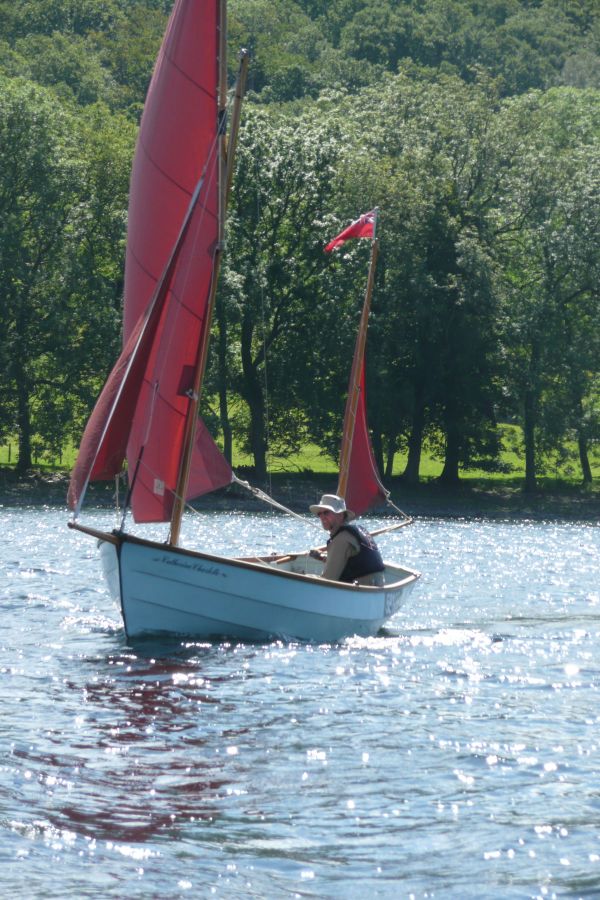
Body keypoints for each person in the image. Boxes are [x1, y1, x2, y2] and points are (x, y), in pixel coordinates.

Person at [309, 493, 385, 586]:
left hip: (360, 589)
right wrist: (321, 557)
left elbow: (328, 580)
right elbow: (349, 561)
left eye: (326, 512)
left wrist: (306, 576)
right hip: (375, 587)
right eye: (319, 514)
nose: (322, 517)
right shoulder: (356, 532)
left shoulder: (341, 539)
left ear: (340, 515)